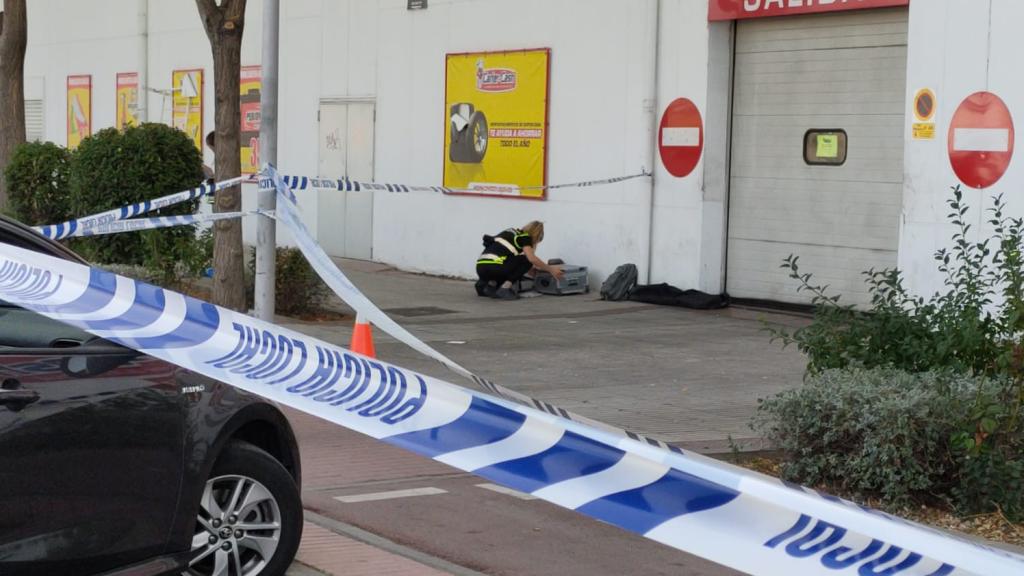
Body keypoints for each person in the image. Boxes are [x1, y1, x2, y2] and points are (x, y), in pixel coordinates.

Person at [476, 221, 564, 300]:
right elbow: (531, 258)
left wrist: (536, 267)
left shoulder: (509, 232)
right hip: (496, 268)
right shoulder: (525, 237)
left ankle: (490, 287)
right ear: (536, 236)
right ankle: (505, 288)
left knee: (511, 263)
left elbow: (506, 256)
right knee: (526, 259)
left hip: (480, 268)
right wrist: (551, 270)